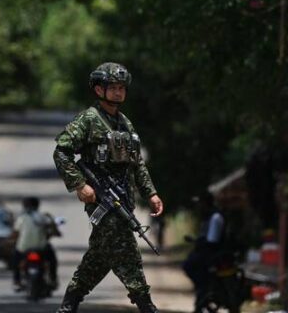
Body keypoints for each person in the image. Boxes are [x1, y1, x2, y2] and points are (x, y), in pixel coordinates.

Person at [53, 62, 164, 313]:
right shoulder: (88, 120)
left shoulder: (125, 123)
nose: (118, 92)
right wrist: (80, 185)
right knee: (128, 255)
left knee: (99, 258)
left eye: (121, 88)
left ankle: (68, 305)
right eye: (112, 87)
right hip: (102, 202)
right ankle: (147, 307)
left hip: (123, 199)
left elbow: (137, 164)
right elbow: (62, 153)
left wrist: (152, 193)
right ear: (98, 90)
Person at [183, 191, 226, 303]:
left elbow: (212, 241)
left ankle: (204, 288)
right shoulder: (208, 217)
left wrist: (199, 242)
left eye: (200, 203)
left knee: (189, 265)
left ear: (205, 203)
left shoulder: (215, 217)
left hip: (212, 254)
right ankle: (202, 288)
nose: (198, 207)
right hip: (207, 252)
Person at [12, 197, 60, 291]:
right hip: (41, 248)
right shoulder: (43, 217)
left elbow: (15, 233)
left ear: (24, 206)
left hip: (23, 248)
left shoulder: (21, 218)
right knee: (52, 260)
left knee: (15, 261)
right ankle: (53, 279)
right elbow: (53, 231)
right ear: (37, 205)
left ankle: (17, 281)